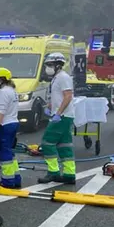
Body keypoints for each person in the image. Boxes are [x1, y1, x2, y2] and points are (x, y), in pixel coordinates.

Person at [38, 53, 76, 184]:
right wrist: (50, 106)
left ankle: (53, 172)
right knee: (64, 145)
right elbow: (58, 96)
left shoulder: (63, 77)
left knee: (47, 142)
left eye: (50, 65)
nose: (47, 68)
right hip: (63, 116)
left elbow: (68, 96)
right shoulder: (57, 78)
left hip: (62, 116)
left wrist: (58, 113)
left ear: (58, 65)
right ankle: (69, 174)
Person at [0, 68, 21, 188]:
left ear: (1, 80)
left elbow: (1, 111)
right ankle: (16, 178)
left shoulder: (3, 92)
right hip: (13, 123)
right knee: (10, 152)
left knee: (4, 153)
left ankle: (7, 181)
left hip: (4, 125)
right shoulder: (12, 91)